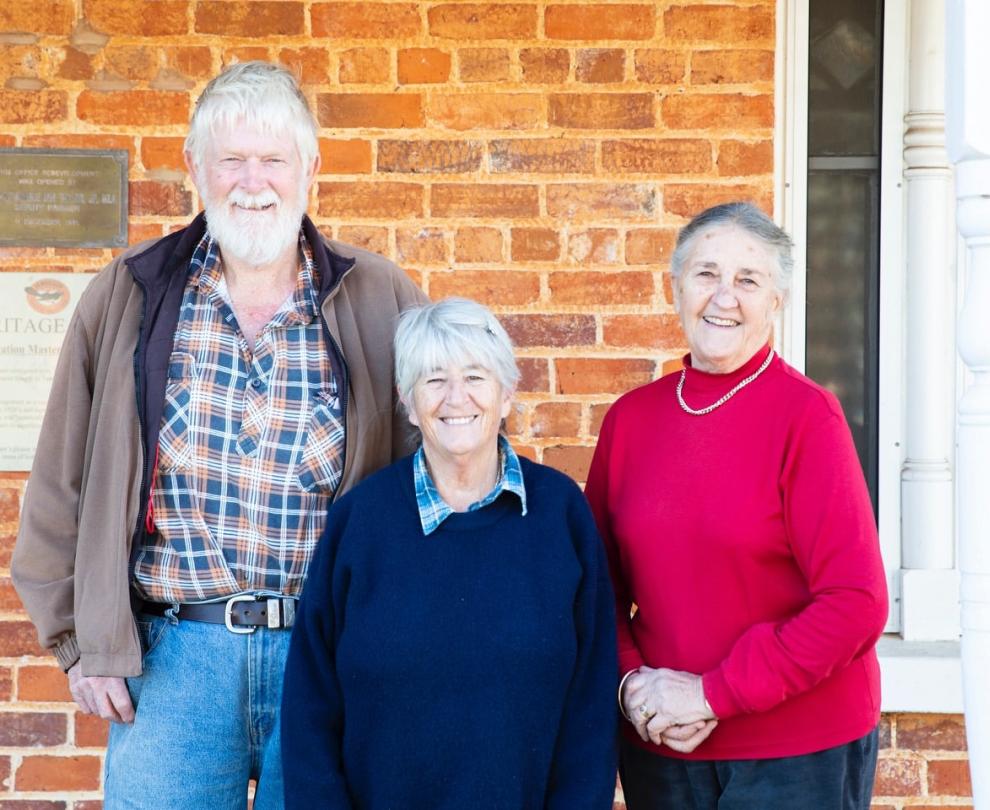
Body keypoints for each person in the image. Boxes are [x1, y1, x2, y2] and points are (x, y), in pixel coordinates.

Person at [11, 61, 426, 808]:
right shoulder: (130, 291)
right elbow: (60, 478)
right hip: (174, 663)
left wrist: (405, 646)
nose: (252, 181)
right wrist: (78, 643)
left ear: (311, 169)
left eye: (273, 159)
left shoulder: (380, 295)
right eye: (231, 159)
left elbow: (436, 475)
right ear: (195, 168)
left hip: (327, 656)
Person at [585, 202, 889, 809]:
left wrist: (712, 694)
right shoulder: (632, 421)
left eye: (747, 280)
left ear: (775, 301)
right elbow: (596, 586)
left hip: (796, 755)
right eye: (706, 274)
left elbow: (856, 602)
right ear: (675, 288)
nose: (724, 297)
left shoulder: (807, 419)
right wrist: (632, 685)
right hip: (663, 746)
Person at [281, 297, 618, 809]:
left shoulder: (559, 515)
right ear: (409, 401)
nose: (456, 398)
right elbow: (310, 705)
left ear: (506, 394)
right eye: (434, 379)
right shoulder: (361, 522)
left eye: (476, 377)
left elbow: (591, 703)